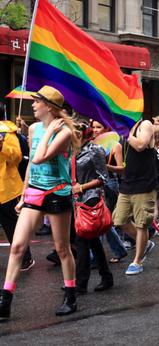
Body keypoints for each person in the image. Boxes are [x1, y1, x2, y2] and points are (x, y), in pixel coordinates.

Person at [0, 86, 79, 319]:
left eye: (37, 101)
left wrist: (48, 132)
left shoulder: (64, 132)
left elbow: (39, 157)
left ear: (49, 107)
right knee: (16, 246)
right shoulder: (34, 128)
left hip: (57, 193)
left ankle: (70, 295)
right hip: (35, 191)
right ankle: (5, 300)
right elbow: (32, 167)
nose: (32, 105)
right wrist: (24, 195)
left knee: (62, 249)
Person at [112, 119, 157, 275]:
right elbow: (124, 163)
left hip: (144, 184)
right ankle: (145, 243)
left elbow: (140, 145)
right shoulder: (124, 130)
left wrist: (125, 133)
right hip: (127, 183)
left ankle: (137, 261)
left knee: (141, 224)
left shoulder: (144, 124)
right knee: (119, 220)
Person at [73, 122, 113, 293]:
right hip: (75, 200)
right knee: (92, 240)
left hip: (90, 198)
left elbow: (103, 177)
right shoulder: (70, 151)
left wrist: (82, 187)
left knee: (81, 239)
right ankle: (106, 276)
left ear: (81, 134)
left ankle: (80, 284)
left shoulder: (94, 150)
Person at [91, 120, 128, 264]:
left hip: (110, 184)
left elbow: (121, 169)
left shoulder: (115, 145)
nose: (95, 130)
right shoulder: (92, 144)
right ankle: (119, 249)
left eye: (98, 127)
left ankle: (95, 257)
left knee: (100, 218)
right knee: (103, 220)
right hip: (93, 183)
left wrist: (106, 166)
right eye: (93, 127)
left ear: (106, 128)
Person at [0, 121, 34, 272]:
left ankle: (25, 258)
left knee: (12, 226)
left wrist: (2, 146)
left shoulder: (7, 132)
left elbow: (16, 157)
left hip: (6, 188)